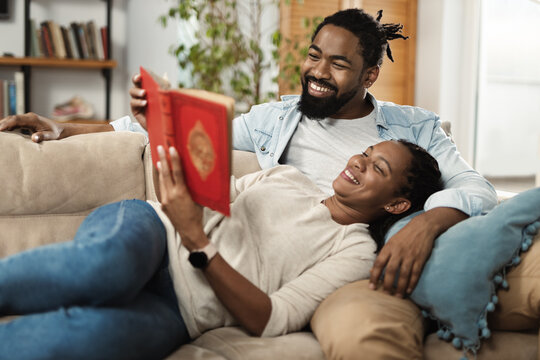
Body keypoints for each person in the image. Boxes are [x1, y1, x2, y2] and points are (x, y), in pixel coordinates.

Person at [0, 8, 498, 359]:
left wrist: (430, 220)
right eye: (314, 55)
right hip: (160, 236)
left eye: (339, 64)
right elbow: (169, 133)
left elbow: (478, 190)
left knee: (86, 339)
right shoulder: (279, 131)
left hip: (195, 301)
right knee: (102, 272)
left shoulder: (415, 133)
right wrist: (64, 128)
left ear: (369, 76)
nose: (318, 73)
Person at [0, 139, 442, 360]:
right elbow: (200, 199)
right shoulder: (287, 177)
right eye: (365, 152)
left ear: (397, 204)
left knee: (86, 338)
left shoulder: (355, 252)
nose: (359, 162)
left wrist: (200, 243)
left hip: (180, 312)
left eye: (377, 166)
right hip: (152, 232)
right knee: (103, 270)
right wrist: (160, 132)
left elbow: (269, 318)